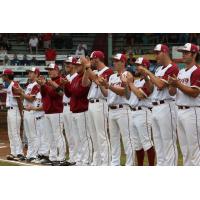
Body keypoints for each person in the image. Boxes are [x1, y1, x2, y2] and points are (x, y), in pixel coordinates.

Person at [137, 44, 179, 166]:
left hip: (167, 106)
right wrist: (146, 78)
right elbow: (151, 89)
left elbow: (161, 85)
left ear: (165, 52)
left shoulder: (173, 67)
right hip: (155, 107)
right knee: (159, 143)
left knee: (168, 142)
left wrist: (147, 72)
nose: (156, 56)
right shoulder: (158, 69)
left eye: (158, 53)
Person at [98, 53, 135, 166]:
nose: (114, 63)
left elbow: (125, 93)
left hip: (123, 109)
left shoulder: (127, 74)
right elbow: (107, 94)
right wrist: (100, 84)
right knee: (114, 139)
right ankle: (115, 164)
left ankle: (130, 165)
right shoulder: (112, 77)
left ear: (123, 62)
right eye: (113, 61)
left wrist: (108, 86)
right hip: (112, 109)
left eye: (116, 61)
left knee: (127, 139)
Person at [168, 43, 200, 166]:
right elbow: (172, 92)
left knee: (194, 149)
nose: (183, 55)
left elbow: (194, 93)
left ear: (194, 54)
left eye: (186, 53)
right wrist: (172, 84)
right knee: (185, 149)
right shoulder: (181, 72)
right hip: (180, 110)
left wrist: (178, 84)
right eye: (183, 52)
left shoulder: (197, 71)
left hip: (193, 111)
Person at [122, 57, 155, 166]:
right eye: (136, 65)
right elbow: (127, 96)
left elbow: (141, 95)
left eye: (139, 65)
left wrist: (130, 83)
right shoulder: (135, 81)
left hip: (143, 112)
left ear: (145, 67)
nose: (136, 67)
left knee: (147, 142)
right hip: (133, 112)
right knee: (137, 144)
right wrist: (126, 84)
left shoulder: (149, 81)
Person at [81, 51, 113, 166]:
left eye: (91, 59)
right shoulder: (93, 71)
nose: (90, 61)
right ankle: (97, 161)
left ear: (97, 59)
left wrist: (88, 67)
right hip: (91, 103)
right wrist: (86, 69)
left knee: (101, 134)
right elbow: (84, 84)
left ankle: (106, 162)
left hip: (101, 103)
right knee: (93, 134)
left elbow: (98, 81)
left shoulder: (108, 71)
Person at [37, 63, 68, 166]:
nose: (49, 71)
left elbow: (55, 94)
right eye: (48, 70)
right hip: (48, 111)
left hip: (57, 111)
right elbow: (43, 95)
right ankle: (52, 157)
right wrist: (42, 85)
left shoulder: (60, 80)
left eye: (51, 70)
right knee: (50, 136)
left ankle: (61, 157)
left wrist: (45, 84)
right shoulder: (49, 82)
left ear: (56, 70)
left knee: (58, 135)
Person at [17, 67, 41, 163]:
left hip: (32, 112)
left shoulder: (36, 85)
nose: (29, 74)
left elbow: (31, 99)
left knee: (33, 134)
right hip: (26, 111)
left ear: (36, 74)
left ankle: (34, 154)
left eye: (31, 72)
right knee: (28, 135)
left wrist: (21, 93)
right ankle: (29, 154)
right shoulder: (29, 85)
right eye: (29, 72)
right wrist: (21, 92)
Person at [0, 69, 25, 161]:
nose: (2, 77)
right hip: (10, 111)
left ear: (7, 76)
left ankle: (19, 153)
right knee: (11, 133)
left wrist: (21, 112)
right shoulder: (10, 84)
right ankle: (14, 152)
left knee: (15, 133)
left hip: (15, 111)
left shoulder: (14, 85)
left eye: (3, 75)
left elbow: (19, 100)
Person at [62, 57, 78, 164]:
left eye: (69, 63)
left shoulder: (77, 77)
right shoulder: (67, 77)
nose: (67, 65)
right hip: (65, 107)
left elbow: (73, 93)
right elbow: (65, 93)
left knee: (75, 134)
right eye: (66, 64)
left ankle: (77, 158)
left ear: (74, 65)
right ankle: (72, 157)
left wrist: (66, 84)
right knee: (68, 134)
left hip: (73, 107)